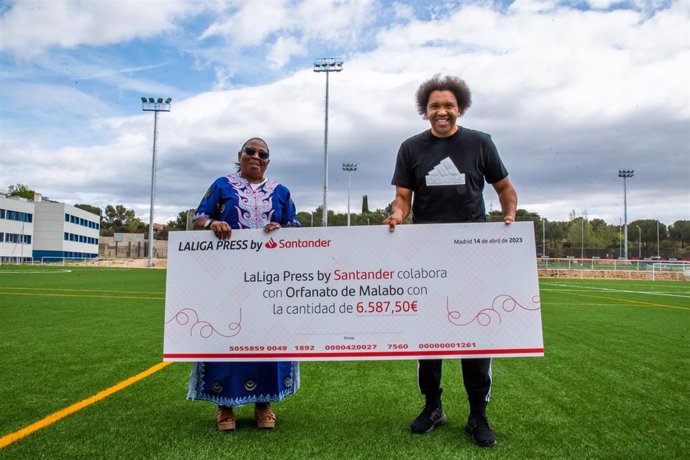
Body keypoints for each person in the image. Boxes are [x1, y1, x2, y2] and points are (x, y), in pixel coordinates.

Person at [383, 75, 517, 447]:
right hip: (428, 254)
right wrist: (397, 215)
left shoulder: (480, 143)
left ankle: (478, 414)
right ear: (424, 111)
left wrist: (508, 217)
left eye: (448, 105)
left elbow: (505, 189)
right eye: (434, 106)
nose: (441, 111)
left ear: (460, 108)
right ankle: (433, 407)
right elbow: (403, 198)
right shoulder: (411, 148)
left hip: (474, 254)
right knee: (429, 338)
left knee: (475, 337)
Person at [187, 137, 301, 431]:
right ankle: (225, 408)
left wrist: (282, 229)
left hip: (270, 280)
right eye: (250, 151)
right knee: (226, 336)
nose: (256, 156)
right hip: (226, 278)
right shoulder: (222, 186)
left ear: (268, 161)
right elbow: (198, 217)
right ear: (239, 156)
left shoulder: (281, 191)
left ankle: (264, 404)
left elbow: (295, 227)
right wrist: (212, 224)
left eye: (262, 154)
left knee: (267, 336)